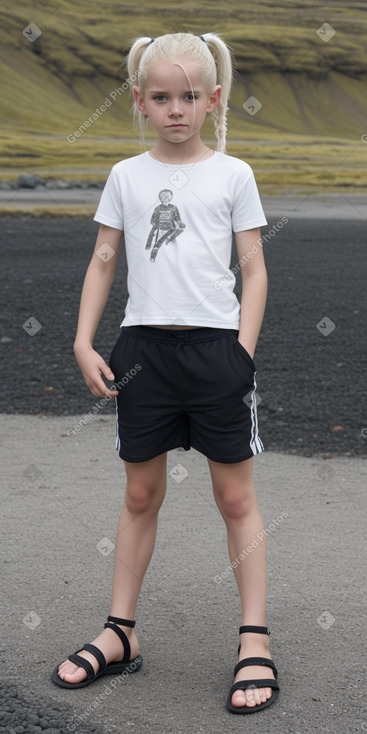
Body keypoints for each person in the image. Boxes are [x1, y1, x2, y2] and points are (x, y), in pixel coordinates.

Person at [51, 31, 280, 714]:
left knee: (235, 500)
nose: (174, 108)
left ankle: (254, 640)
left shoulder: (232, 174)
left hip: (215, 355)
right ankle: (120, 632)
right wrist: (83, 341)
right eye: (160, 97)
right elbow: (102, 260)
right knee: (140, 496)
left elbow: (253, 268)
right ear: (140, 101)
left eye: (188, 97)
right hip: (141, 351)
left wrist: (242, 351)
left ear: (213, 100)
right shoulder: (126, 176)